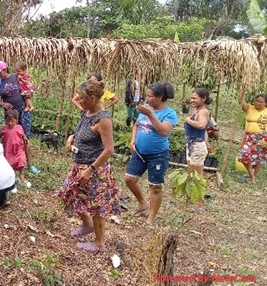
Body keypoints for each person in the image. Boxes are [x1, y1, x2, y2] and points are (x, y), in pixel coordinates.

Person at [58, 80, 120, 253]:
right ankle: (87, 224)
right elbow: (81, 131)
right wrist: (72, 137)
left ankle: (100, 243)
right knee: (68, 193)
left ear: (93, 98)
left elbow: (109, 150)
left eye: (82, 98)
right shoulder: (86, 112)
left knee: (96, 206)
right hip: (79, 165)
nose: (79, 100)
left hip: (95, 170)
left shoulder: (104, 119)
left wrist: (90, 170)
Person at [124, 82, 177, 225]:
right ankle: (142, 202)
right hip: (140, 152)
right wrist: (132, 140)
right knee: (129, 178)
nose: (147, 99)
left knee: (155, 186)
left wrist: (151, 114)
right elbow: (136, 124)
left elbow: (163, 131)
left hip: (158, 155)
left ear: (159, 97)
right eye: (147, 96)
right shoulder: (146, 109)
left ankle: (151, 218)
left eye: (150, 96)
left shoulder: (169, 114)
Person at [0, 60, 41, 175]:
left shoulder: (16, 76)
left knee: (25, 138)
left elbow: (28, 86)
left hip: (23, 110)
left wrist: (30, 94)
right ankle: (12, 163)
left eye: (0, 71)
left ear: (5, 69)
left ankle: (30, 164)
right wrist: (3, 104)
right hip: (10, 115)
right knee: (11, 139)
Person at [184, 88, 212, 212]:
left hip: (196, 146)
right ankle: (192, 198)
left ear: (203, 98)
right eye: (192, 98)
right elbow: (204, 130)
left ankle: (199, 204)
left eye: (195, 98)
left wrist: (188, 120)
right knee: (191, 173)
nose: (192, 100)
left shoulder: (204, 112)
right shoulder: (198, 110)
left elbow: (201, 125)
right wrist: (206, 142)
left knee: (197, 176)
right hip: (192, 145)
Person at [238, 93, 267, 183]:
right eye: (257, 101)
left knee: (258, 157)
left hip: (262, 137)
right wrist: (243, 89)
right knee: (244, 154)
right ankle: (252, 175)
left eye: (261, 102)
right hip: (249, 136)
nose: (258, 103)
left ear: (265, 103)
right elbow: (240, 101)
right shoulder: (249, 108)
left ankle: (253, 177)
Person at [0, 109, 28, 183]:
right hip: (8, 150)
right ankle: (11, 176)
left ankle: (21, 175)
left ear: (16, 120)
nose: (10, 123)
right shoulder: (5, 128)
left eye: (12, 121)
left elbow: (23, 135)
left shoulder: (19, 127)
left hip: (18, 149)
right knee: (9, 163)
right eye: (8, 121)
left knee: (21, 160)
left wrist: (25, 139)